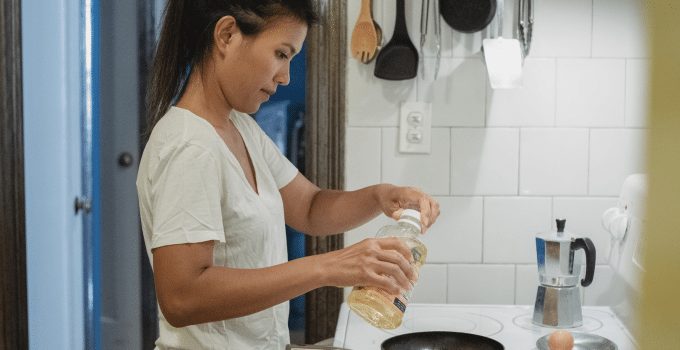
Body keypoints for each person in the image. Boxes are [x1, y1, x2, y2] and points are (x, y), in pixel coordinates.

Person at [137, 1, 441, 349]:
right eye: (282, 54)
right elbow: (182, 298)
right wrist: (330, 267)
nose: (285, 76)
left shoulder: (239, 128)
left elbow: (310, 207)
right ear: (227, 35)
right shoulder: (188, 145)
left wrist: (380, 195)